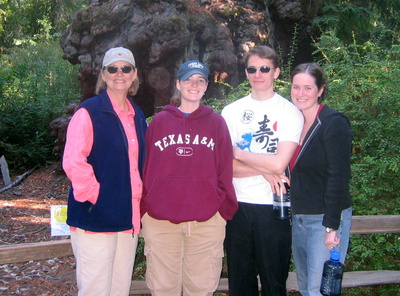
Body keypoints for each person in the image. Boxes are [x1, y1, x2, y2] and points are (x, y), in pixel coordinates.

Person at [140, 60, 238, 296]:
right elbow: (146, 168)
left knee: (201, 288)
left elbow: (225, 170)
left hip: (206, 222)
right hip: (161, 220)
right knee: (163, 288)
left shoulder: (216, 123)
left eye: (200, 80)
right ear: (178, 84)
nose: (194, 85)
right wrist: (146, 206)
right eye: (188, 80)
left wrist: (221, 210)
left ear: (206, 87)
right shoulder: (160, 122)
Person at [63, 47, 147, 296]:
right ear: (103, 74)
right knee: (95, 289)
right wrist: (97, 196)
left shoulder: (137, 115)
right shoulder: (89, 111)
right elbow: (73, 161)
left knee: (119, 289)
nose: (119, 73)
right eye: (113, 68)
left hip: (127, 215)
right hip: (96, 216)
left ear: (134, 74)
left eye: (125, 68)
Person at [221, 45, 304, 296]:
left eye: (265, 68)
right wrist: (265, 169)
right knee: (240, 282)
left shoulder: (289, 111)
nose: (259, 74)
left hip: (274, 207)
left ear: (276, 72)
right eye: (252, 68)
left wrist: (239, 153)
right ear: (246, 73)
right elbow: (224, 169)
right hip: (237, 208)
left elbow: (280, 165)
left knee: (274, 282)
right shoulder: (230, 112)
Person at [289, 62, 352, 296]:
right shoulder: (293, 123)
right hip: (299, 218)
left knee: (320, 291)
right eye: (296, 87)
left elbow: (339, 177)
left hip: (324, 220)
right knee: (306, 288)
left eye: (308, 88)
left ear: (320, 89)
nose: (301, 94)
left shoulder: (333, 123)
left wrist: (332, 226)